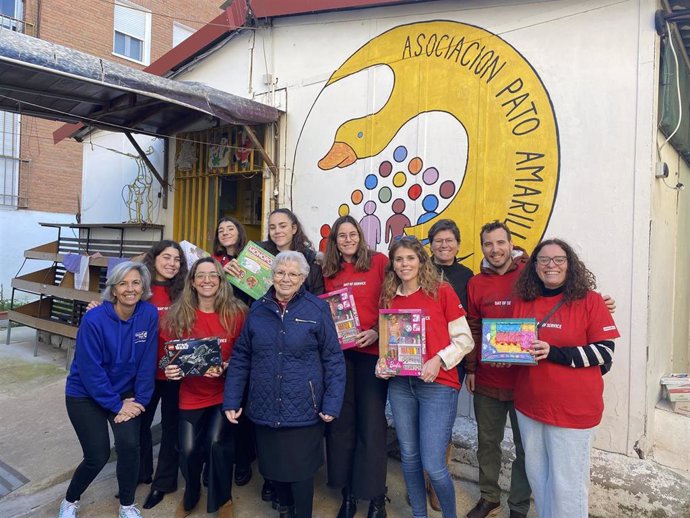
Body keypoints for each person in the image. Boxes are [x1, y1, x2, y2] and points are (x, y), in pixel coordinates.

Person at [223, 251, 346, 518]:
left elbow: (333, 359)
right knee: (273, 468)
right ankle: (284, 510)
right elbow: (242, 355)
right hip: (265, 404)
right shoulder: (257, 309)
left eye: (293, 274)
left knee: (300, 472)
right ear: (272, 275)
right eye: (280, 272)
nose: (286, 279)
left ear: (303, 279)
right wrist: (232, 399)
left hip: (304, 406)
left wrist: (332, 403)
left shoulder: (317, 309)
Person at [511, 239, 619, 518]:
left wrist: (553, 352)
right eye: (544, 260)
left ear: (570, 264)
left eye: (558, 259)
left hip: (573, 410)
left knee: (567, 485)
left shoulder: (591, 301)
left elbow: (604, 352)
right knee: (538, 478)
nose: (551, 266)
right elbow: (515, 347)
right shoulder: (524, 301)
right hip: (529, 406)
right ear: (534, 266)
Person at [376, 237, 473, 518]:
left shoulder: (441, 292)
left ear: (421, 261)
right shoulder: (390, 296)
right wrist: (383, 365)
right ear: (392, 264)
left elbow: (465, 340)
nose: (404, 264)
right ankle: (419, 514)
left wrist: (439, 359)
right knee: (409, 456)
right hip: (401, 385)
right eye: (398, 259)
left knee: (433, 463)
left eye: (410, 258)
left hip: (438, 386)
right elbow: (389, 345)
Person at [59, 261, 158, 518]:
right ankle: (70, 500)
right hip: (85, 394)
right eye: (123, 283)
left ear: (143, 287)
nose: (130, 288)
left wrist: (139, 402)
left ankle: (126, 505)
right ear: (113, 290)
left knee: (129, 445)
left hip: (125, 393)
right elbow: (91, 372)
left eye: (136, 282)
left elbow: (148, 362)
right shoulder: (94, 320)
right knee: (97, 455)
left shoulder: (148, 314)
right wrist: (117, 405)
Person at [163, 257, 247, 518]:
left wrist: (227, 364)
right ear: (192, 281)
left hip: (223, 395)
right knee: (187, 451)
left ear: (221, 281)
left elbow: (247, 354)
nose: (207, 280)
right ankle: (191, 494)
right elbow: (167, 356)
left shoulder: (238, 313)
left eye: (213, 275)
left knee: (215, 443)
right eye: (201, 275)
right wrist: (169, 368)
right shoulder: (177, 315)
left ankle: (223, 499)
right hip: (190, 395)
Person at [321, 215, 389, 518]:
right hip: (340, 357)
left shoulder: (379, 262)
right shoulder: (328, 270)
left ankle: (376, 496)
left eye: (352, 234)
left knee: (372, 425)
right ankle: (347, 494)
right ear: (334, 241)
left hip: (372, 354)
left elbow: (391, 301)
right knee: (341, 425)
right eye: (341, 236)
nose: (347, 240)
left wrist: (376, 329)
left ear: (361, 237)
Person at [464, 221, 531, 518]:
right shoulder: (476, 283)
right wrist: (472, 369)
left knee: (525, 448)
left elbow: (557, 300)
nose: (495, 250)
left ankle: (518, 506)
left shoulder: (531, 274)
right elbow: (474, 327)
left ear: (511, 243)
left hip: (525, 380)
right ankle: (490, 497)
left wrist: (597, 300)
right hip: (488, 379)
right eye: (489, 244)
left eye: (500, 243)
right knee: (487, 443)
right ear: (483, 248)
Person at [425, 219, 474, 511]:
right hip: (419, 360)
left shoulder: (467, 276)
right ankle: (423, 480)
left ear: (457, 243)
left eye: (449, 240)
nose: (444, 245)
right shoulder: (419, 268)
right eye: (438, 241)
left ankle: (435, 483)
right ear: (430, 244)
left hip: (452, 362)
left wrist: (472, 367)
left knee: (441, 428)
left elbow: (471, 324)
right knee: (420, 428)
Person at [139, 240, 188, 510]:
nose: (171, 263)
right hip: (143, 372)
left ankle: (163, 482)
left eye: (177, 259)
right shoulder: (141, 288)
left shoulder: (184, 291)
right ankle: (141, 472)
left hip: (174, 372)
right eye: (166, 257)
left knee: (171, 429)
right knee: (139, 426)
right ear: (154, 259)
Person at [211, 216, 256, 486]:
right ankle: (218, 460)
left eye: (230, 228)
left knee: (244, 401)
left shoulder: (253, 259)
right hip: (220, 330)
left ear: (239, 232)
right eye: (221, 230)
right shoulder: (214, 263)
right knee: (221, 402)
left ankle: (244, 460)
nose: (226, 233)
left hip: (248, 330)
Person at [261, 208, 324, 296]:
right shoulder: (258, 253)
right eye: (272, 227)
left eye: (283, 226)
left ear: (294, 228)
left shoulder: (310, 260)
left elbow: (317, 296)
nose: (277, 231)